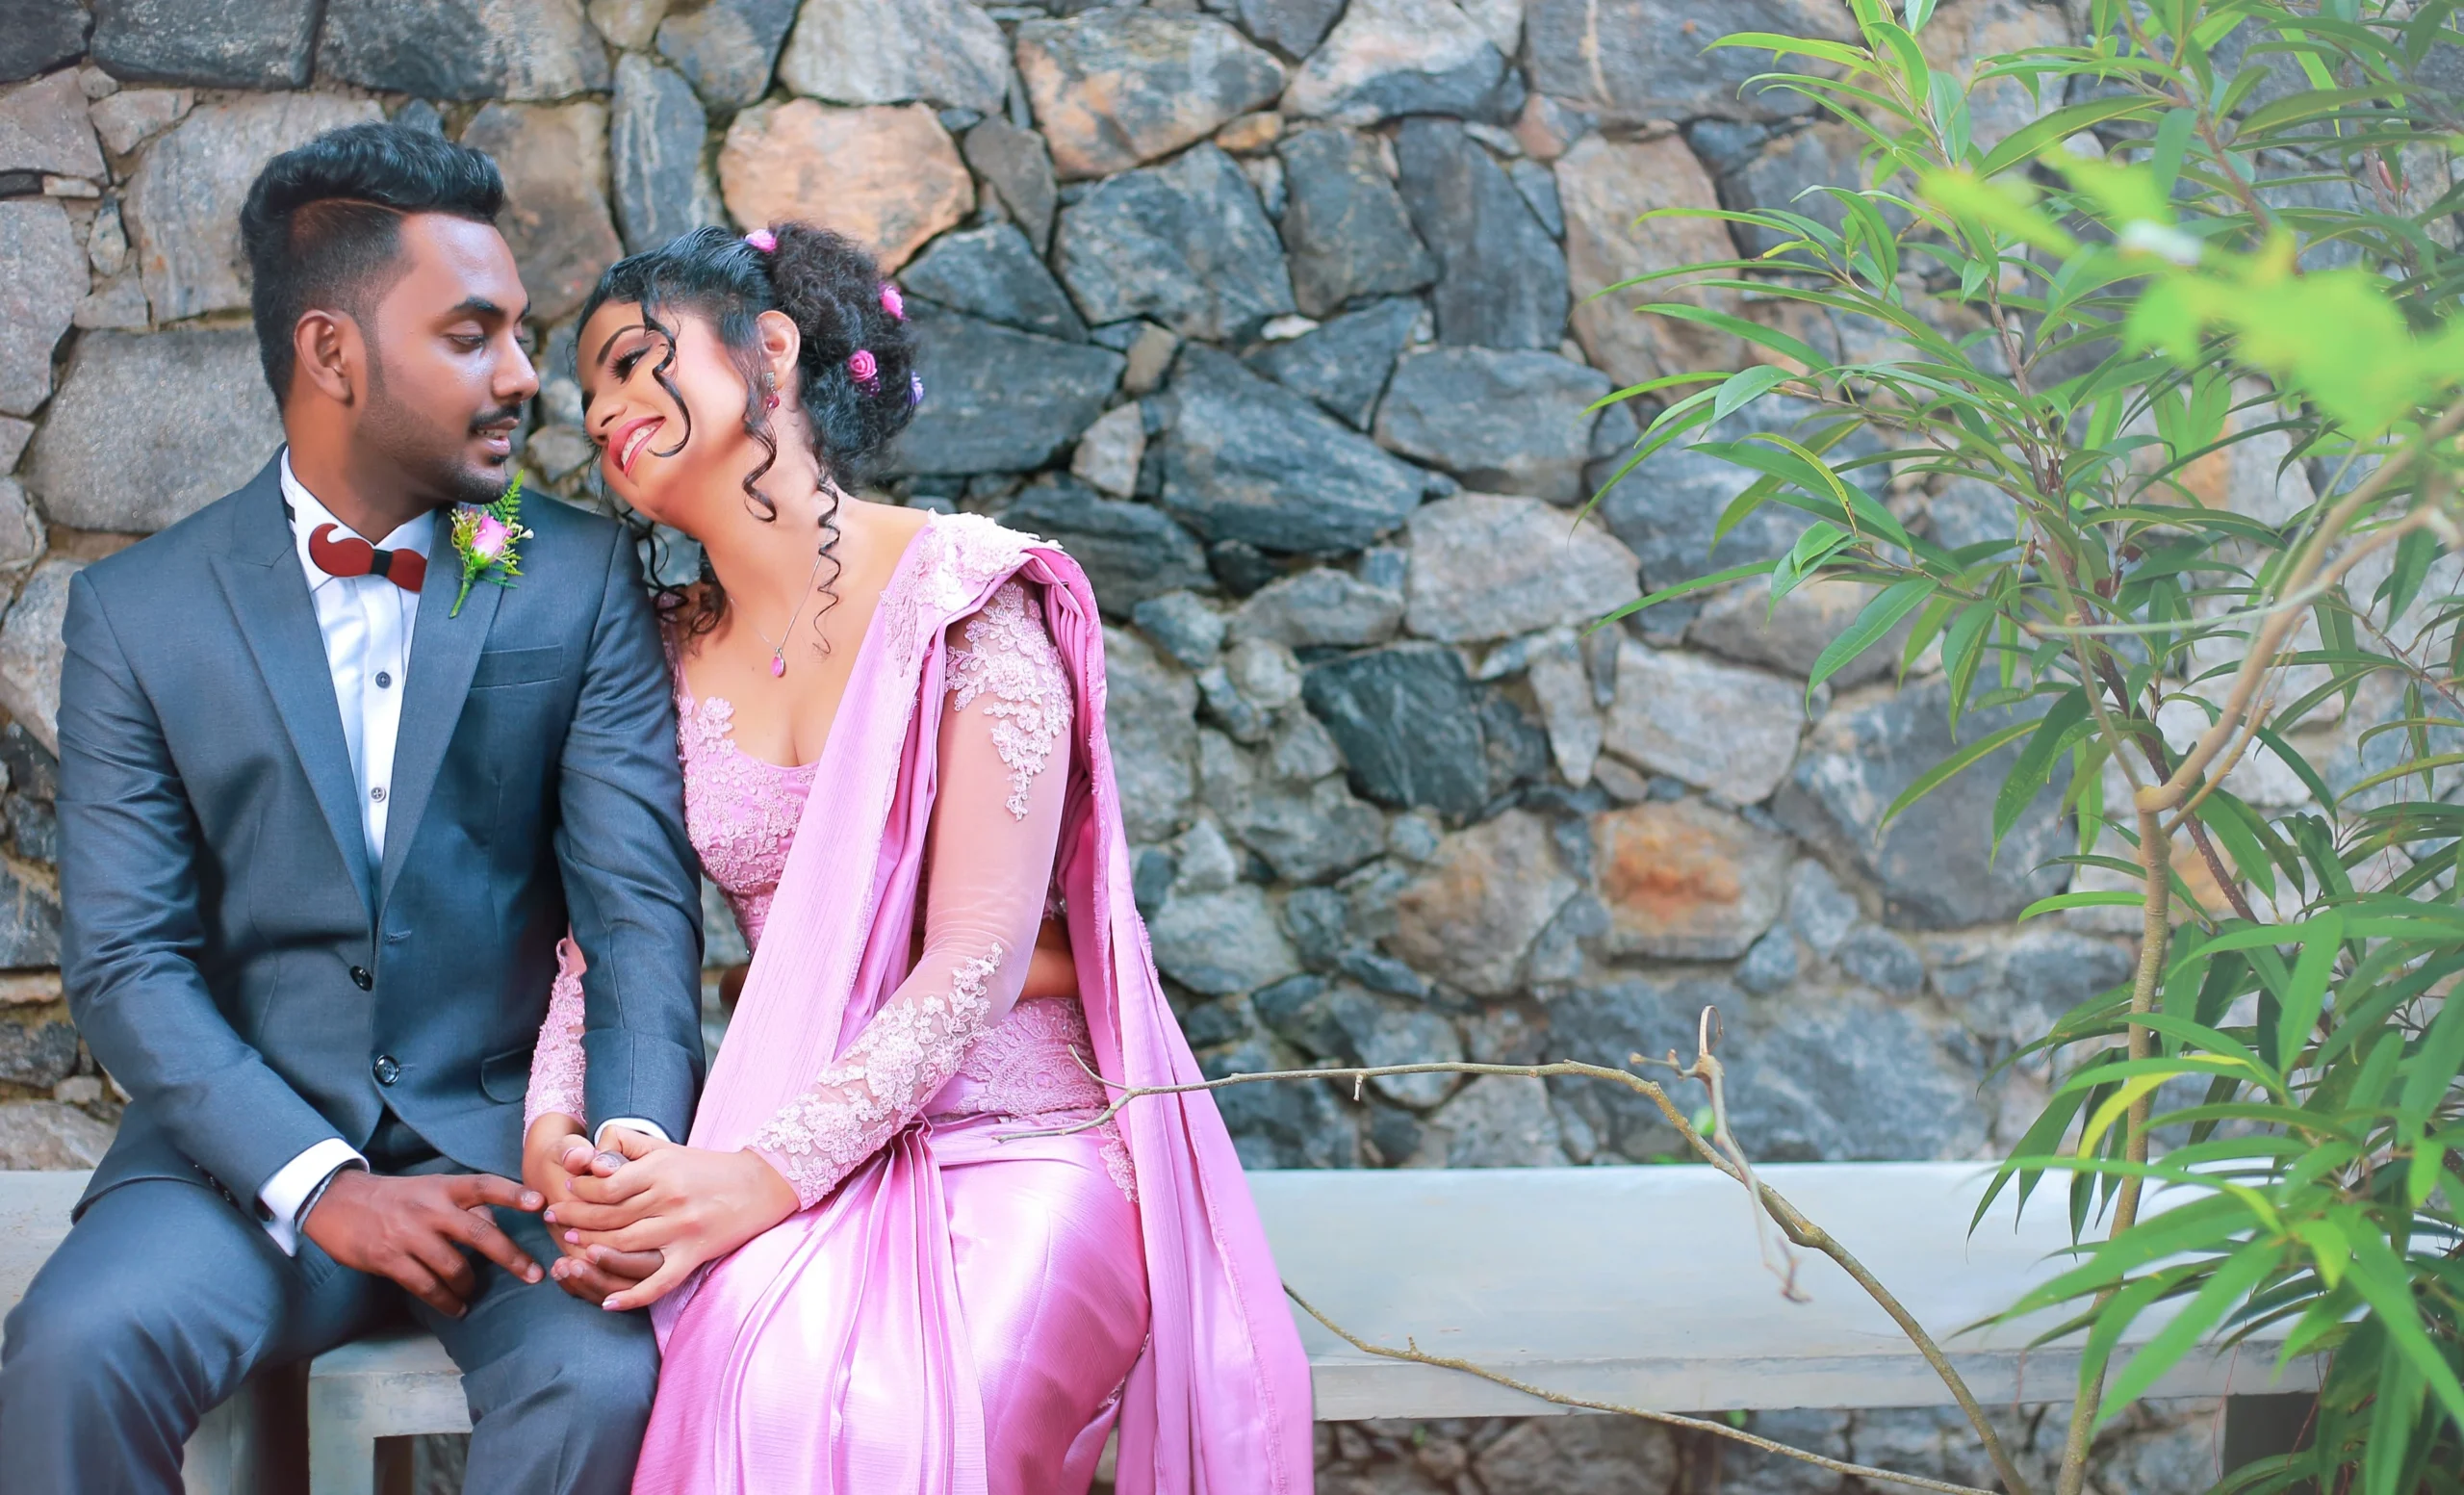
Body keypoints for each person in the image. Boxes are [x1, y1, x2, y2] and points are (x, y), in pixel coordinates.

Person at [525, 221, 1315, 1495]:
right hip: (788, 1142)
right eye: (590, 393)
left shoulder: (971, 599)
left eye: (630, 361)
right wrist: (554, 1120)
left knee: (901, 1434)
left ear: (768, 353)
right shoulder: (648, 656)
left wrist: (755, 1181)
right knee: (740, 1374)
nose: (605, 409)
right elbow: (603, 934)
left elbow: (976, 962)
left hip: (1019, 1145)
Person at [0, 122, 706, 1494]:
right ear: (332, 353)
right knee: (73, 1353)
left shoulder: (568, 577)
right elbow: (128, 960)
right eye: (470, 335)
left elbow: (637, 924)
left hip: (523, 1164)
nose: (520, 376)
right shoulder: (140, 615)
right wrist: (321, 1182)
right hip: (236, 1171)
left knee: (604, 1377)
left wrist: (623, 1165)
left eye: (517, 332)